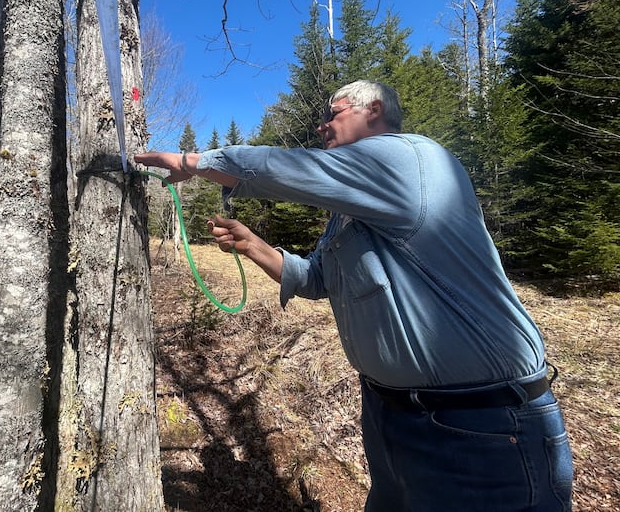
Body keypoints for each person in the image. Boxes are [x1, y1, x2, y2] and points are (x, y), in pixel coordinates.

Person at [135, 80, 573, 511]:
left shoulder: (410, 157)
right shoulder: (348, 212)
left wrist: (192, 162)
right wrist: (254, 246)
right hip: (393, 415)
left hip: (483, 424)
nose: (322, 125)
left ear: (375, 109)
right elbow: (317, 279)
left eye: (333, 113)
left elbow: (287, 168)